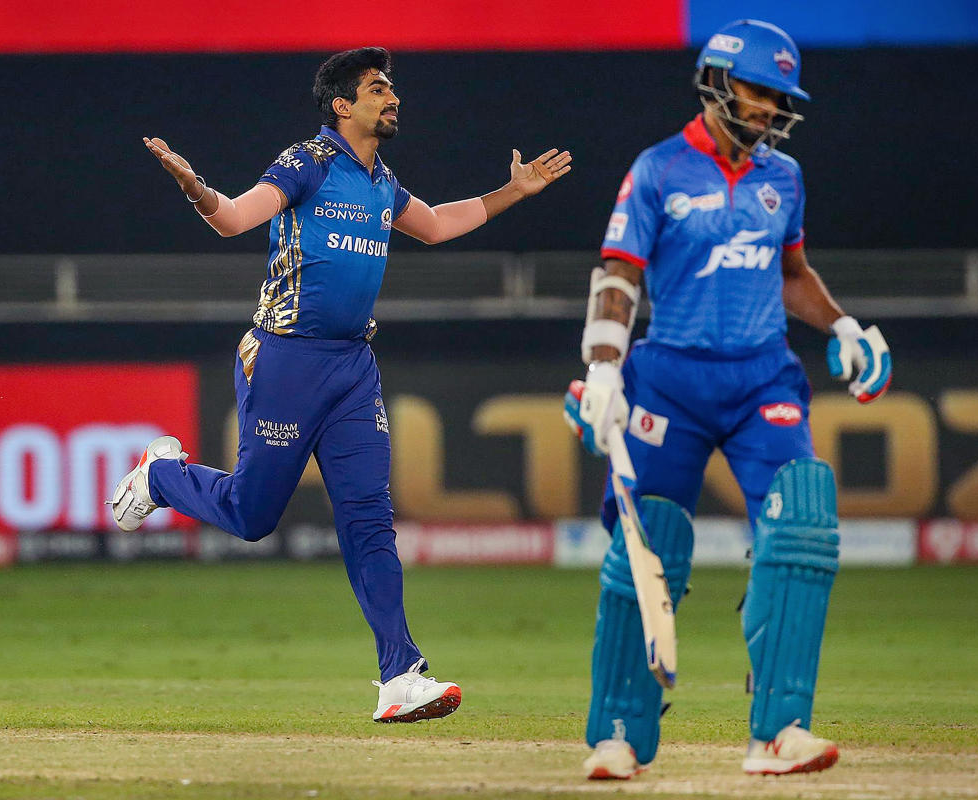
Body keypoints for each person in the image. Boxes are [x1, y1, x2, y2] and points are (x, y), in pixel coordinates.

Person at [109, 46, 572, 723]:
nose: (394, 98)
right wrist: (194, 186)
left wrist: (514, 192)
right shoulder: (307, 162)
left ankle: (400, 676)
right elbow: (236, 217)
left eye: (393, 88)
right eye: (379, 88)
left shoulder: (381, 181)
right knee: (251, 517)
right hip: (285, 359)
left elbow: (439, 225)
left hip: (352, 368)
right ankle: (160, 477)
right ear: (342, 105)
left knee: (368, 518)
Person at [563, 20, 891, 779]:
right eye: (758, 91)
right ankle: (619, 730)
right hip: (669, 380)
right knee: (646, 543)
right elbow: (618, 274)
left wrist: (840, 323)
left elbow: (790, 273)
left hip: (760, 379)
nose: (770, 109)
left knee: (802, 517)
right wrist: (604, 367)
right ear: (715, 83)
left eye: (780, 98)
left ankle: (780, 731)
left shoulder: (786, 178)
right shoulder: (657, 170)